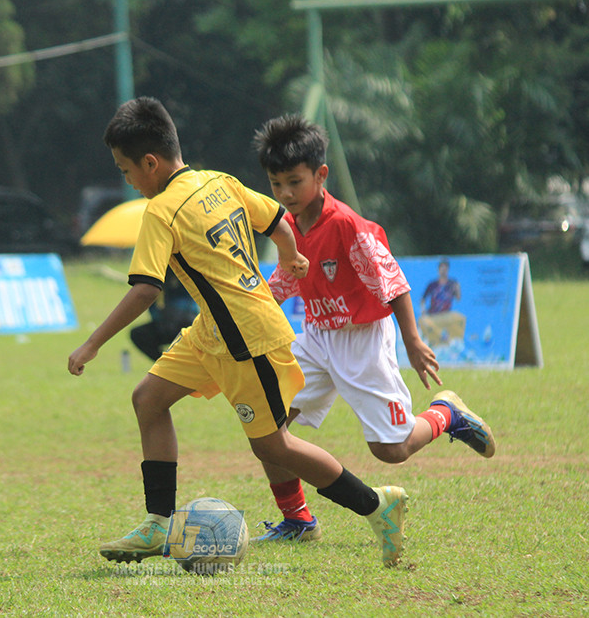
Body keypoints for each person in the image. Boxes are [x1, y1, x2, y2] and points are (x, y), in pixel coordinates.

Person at [68, 97, 411, 568]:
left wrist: (93, 342)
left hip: (248, 339)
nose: (127, 180)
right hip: (211, 331)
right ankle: (157, 523)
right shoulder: (218, 181)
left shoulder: (160, 211)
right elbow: (276, 221)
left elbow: (146, 291)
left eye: (126, 171)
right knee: (147, 398)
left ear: (150, 163)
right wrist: (290, 256)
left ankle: (378, 505)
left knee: (274, 446)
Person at [252, 114, 494, 543]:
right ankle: (298, 521)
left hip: (363, 339)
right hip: (317, 338)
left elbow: (394, 283)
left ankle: (447, 415)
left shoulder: (346, 225)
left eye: (294, 181)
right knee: (270, 432)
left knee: (391, 450)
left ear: (320, 175)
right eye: (276, 184)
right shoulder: (286, 226)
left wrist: (414, 342)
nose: (285, 193)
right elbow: (287, 279)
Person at [129, 268, 198, 361]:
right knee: (138, 334)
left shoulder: (182, 268)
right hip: (163, 322)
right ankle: (165, 365)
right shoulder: (151, 273)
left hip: (186, 320)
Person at [418, 258, 466, 348]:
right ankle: (429, 343)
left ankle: (455, 343)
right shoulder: (432, 284)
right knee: (422, 322)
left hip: (446, 314)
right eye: (442, 268)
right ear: (438, 270)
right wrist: (423, 310)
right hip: (433, 314)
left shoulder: (452, 284)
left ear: (447, 270)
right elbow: (423, 299)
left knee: (460, 319)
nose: (443, 271)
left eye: (445, 269)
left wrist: (458, 288)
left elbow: (458, 298)